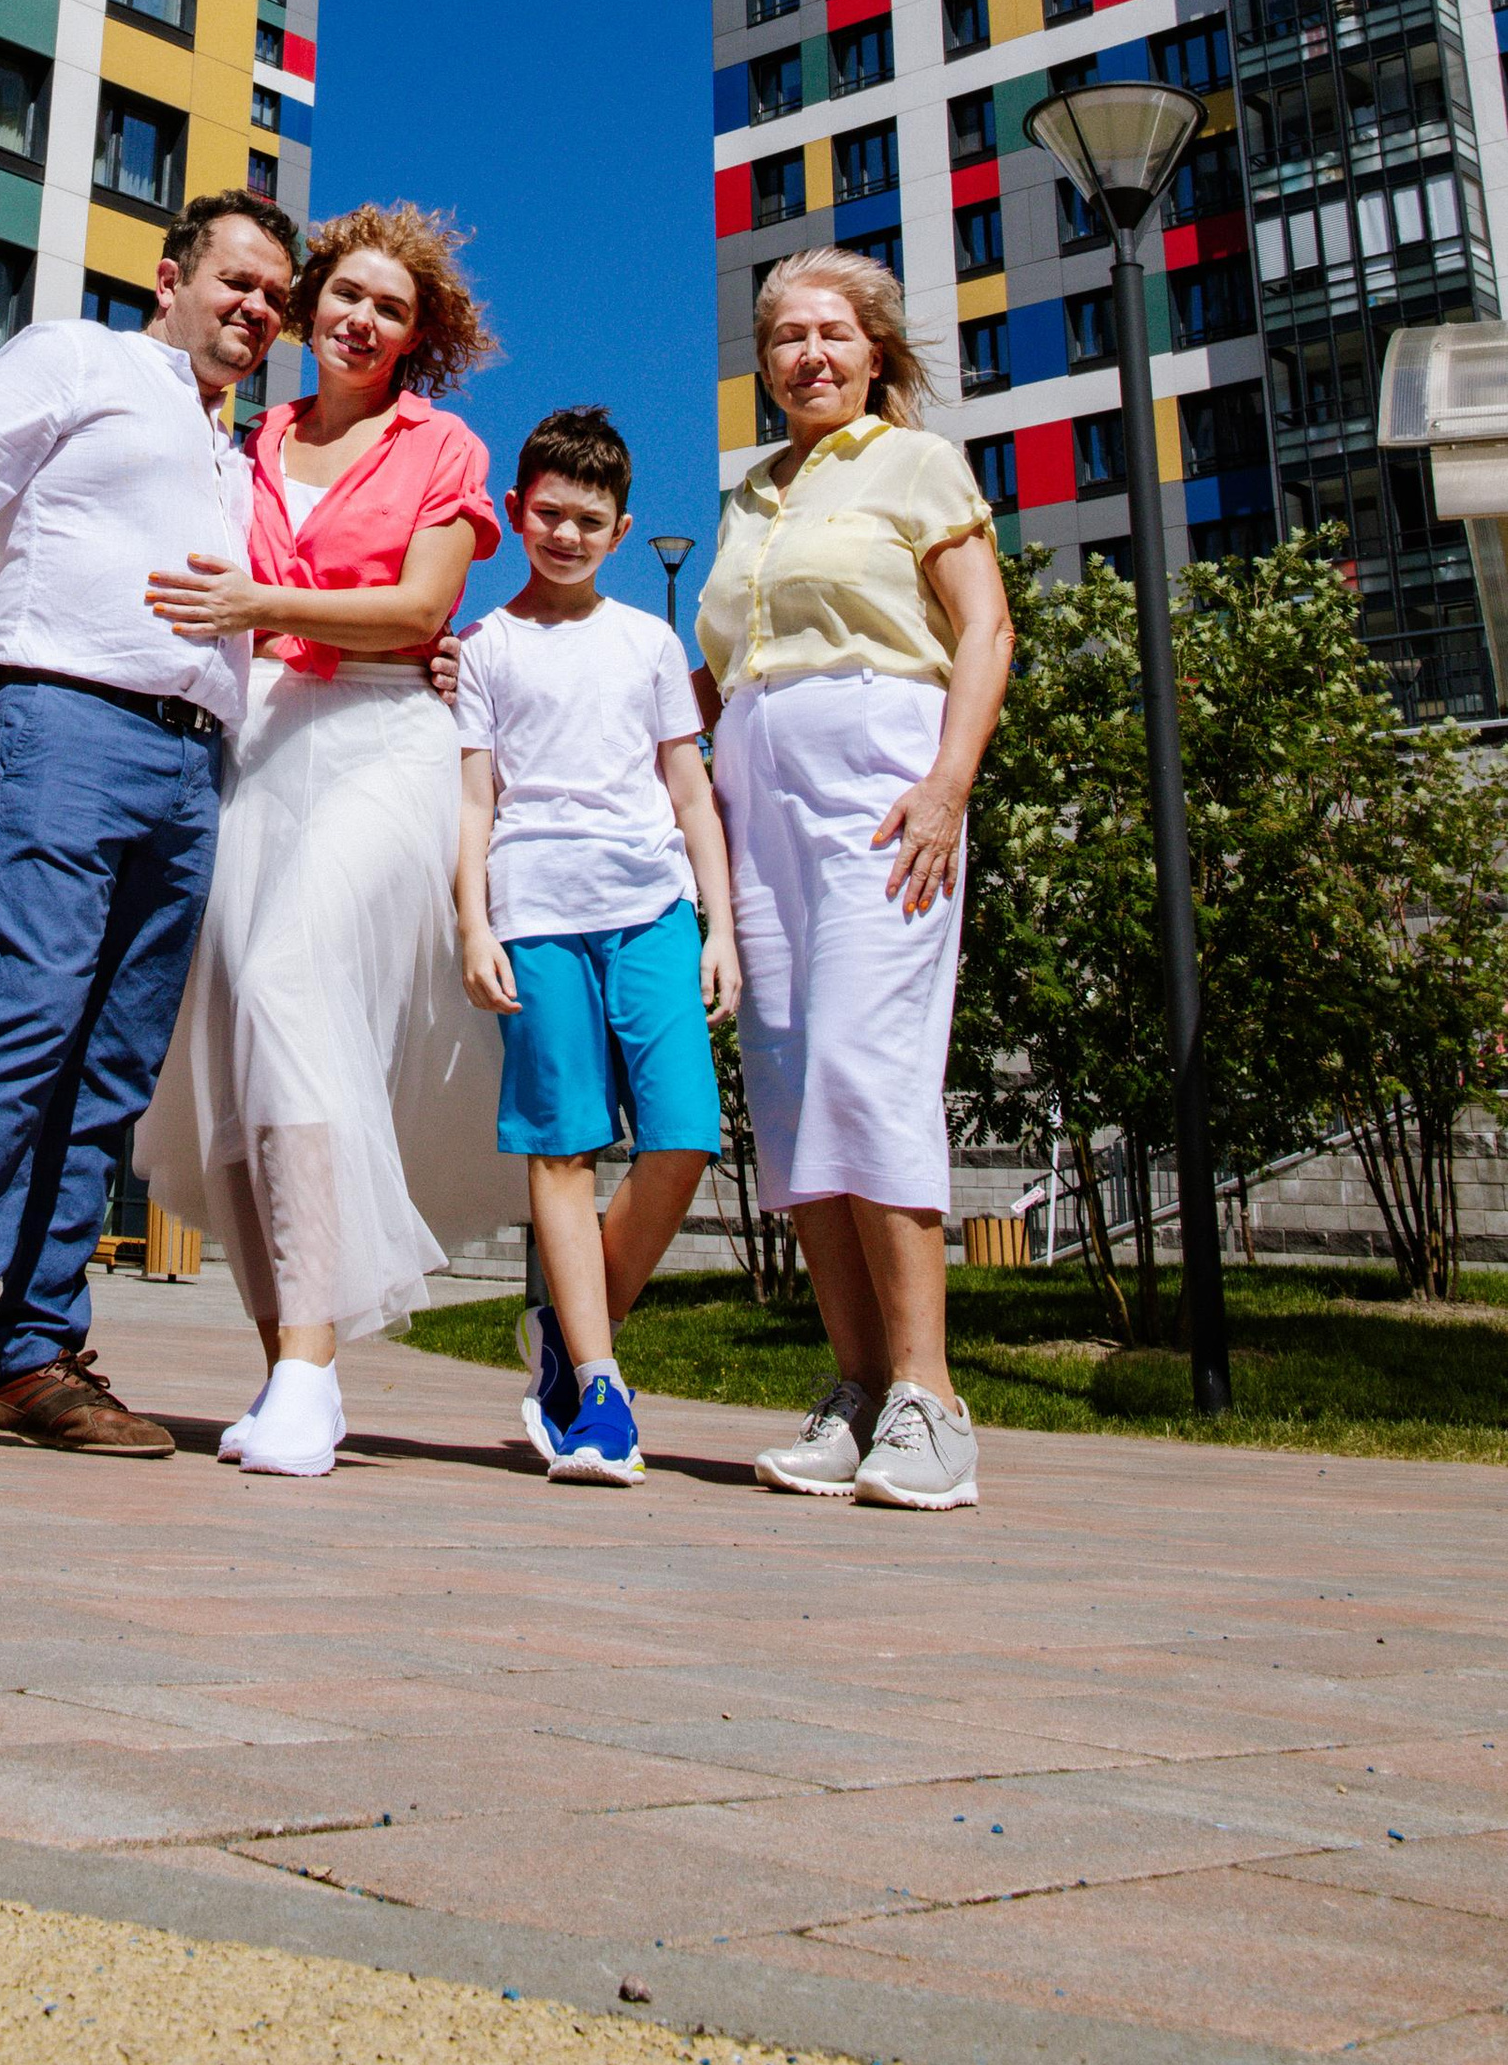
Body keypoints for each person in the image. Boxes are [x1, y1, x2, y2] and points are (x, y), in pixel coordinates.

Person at [0, 191, 299, 1461]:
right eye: (235, 281)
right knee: (31, 1009)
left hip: (191, 765)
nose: (255, 308)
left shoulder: (233, 450)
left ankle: (36, 1352)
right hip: (65, 722)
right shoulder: (76, 356)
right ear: (170, 277)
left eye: (273, 297)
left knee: (112, 1061)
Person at [137, 203, 517, 1477]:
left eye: (390, 309)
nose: (360, 320)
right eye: (344, 295)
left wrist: (262, 600)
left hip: (384, 735)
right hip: (258, 734)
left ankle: (311, 1369)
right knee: (238, 1029)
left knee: (295, 967)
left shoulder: (442, 446)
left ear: (419, 336)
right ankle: (286, 1368)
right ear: (309, 307)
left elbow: (418, 605)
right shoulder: (253, 438)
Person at [692, 251, 1011, 1512]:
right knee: (783, 1079)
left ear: (874, 350)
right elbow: (711, 676)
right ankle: (859, 1390)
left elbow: (983, 628)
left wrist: (948, 787)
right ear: (763, 363)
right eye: (785, 338)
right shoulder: (748, 497)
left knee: (868, 1066)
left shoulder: (915, 464)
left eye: (832, 334)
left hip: (881, 782)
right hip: (754, 793)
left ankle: (932, 1400)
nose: (808, 355)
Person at [453, 406, 739, 1486]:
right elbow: (474, 803)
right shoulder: (488, 648)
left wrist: (719, 927)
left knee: (684, 1135)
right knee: (563, 1148)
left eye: (589, 519)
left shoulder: (648, 642)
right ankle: (602, 1392)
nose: (566, 534)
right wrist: (473, 921)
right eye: (549, 514)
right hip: (533, 914)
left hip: (653, 909)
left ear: (620, 532)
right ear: (517, 512)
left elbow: (691, 792)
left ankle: (565, 1344)